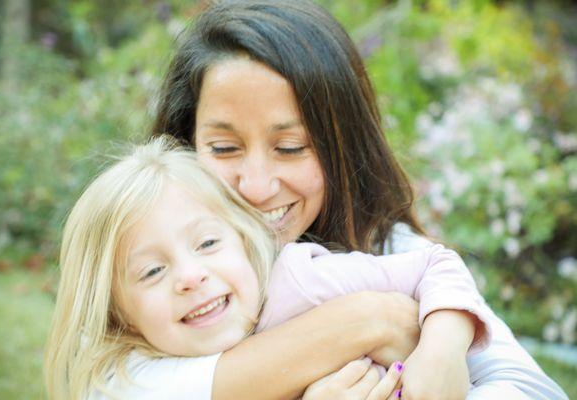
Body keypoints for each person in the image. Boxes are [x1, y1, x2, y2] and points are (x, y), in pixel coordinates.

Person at [150, 1, 568, 399]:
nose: (256, 187)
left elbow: (535, 389)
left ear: (343, 147)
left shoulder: (383, 249)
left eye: (292, 147)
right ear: (182, 145)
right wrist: (369, 322)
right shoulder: (144, 270)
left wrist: (443, 338)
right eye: (223, 148)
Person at [44, 138, 494, 399]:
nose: (190, 276)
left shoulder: (303, 280)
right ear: (118, 313)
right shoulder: (129, 377)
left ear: (243, 239)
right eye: (151, 272)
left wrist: (443, 346)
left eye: (207, 243)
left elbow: (436, 262)